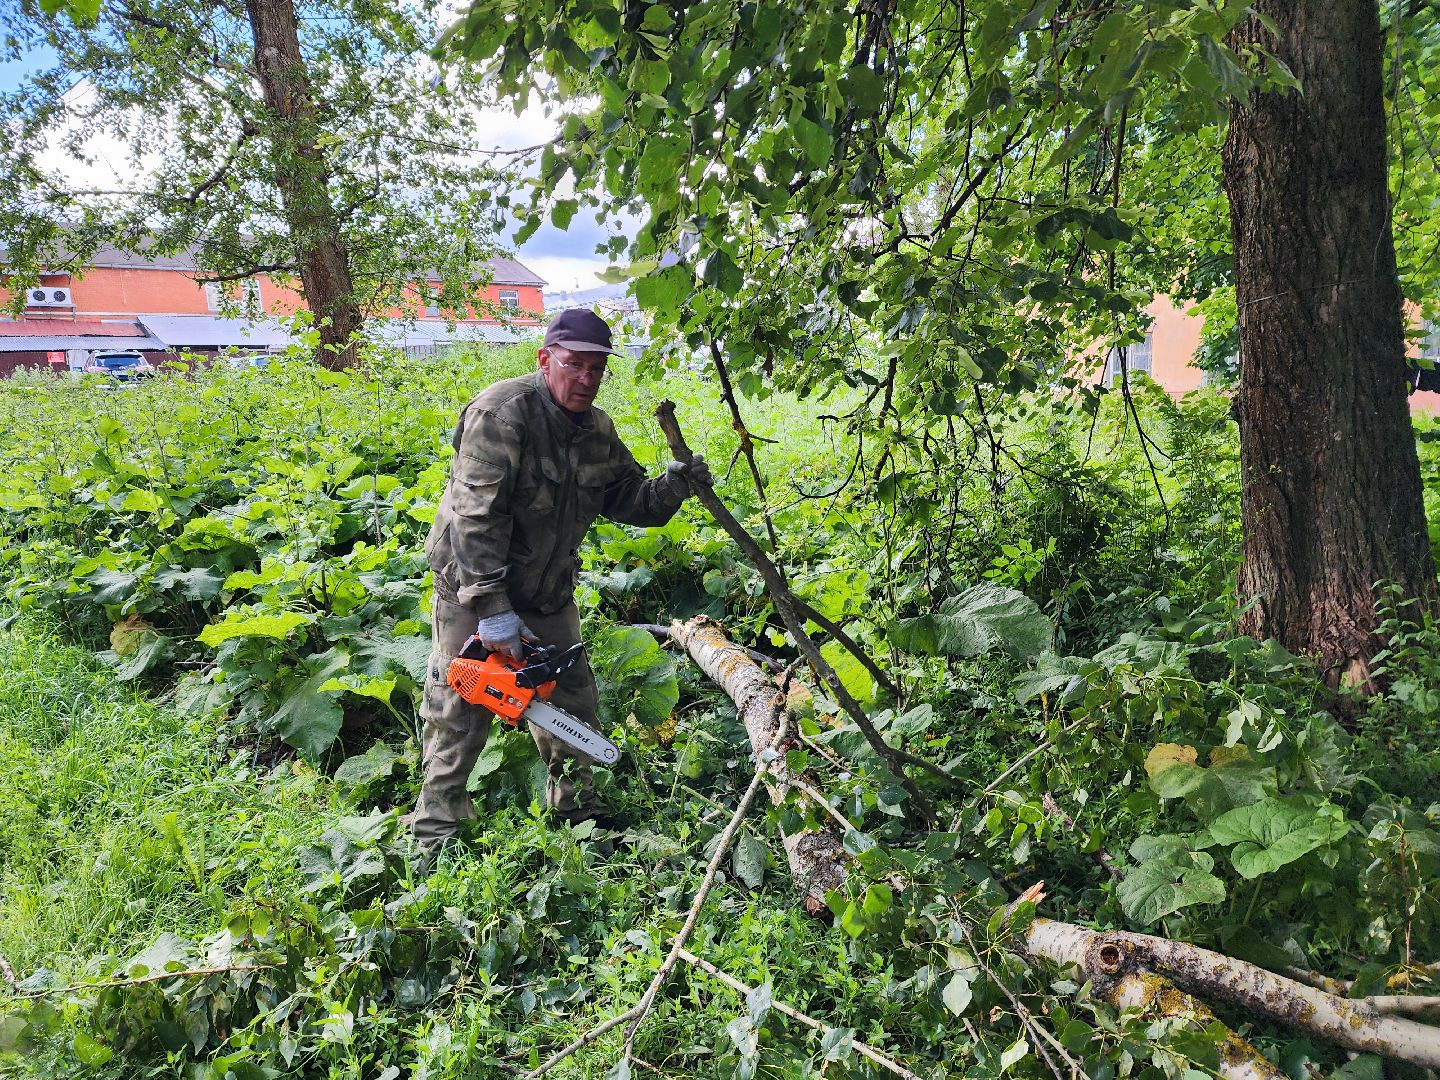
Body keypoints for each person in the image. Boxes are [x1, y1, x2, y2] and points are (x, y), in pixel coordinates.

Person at [412, 308, 709, 863]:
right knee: (461, 707)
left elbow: (630, 499)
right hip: (475, 592)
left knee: (571, 703)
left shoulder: (596, 431)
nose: (586, 379)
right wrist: (494, 610)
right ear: (546, 359)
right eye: (574, 365)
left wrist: (671, 488)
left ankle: (578, 819)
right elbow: (475, 520)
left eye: (597, 369)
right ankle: (435, 835)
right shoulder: (501, 416)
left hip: (547, 592)